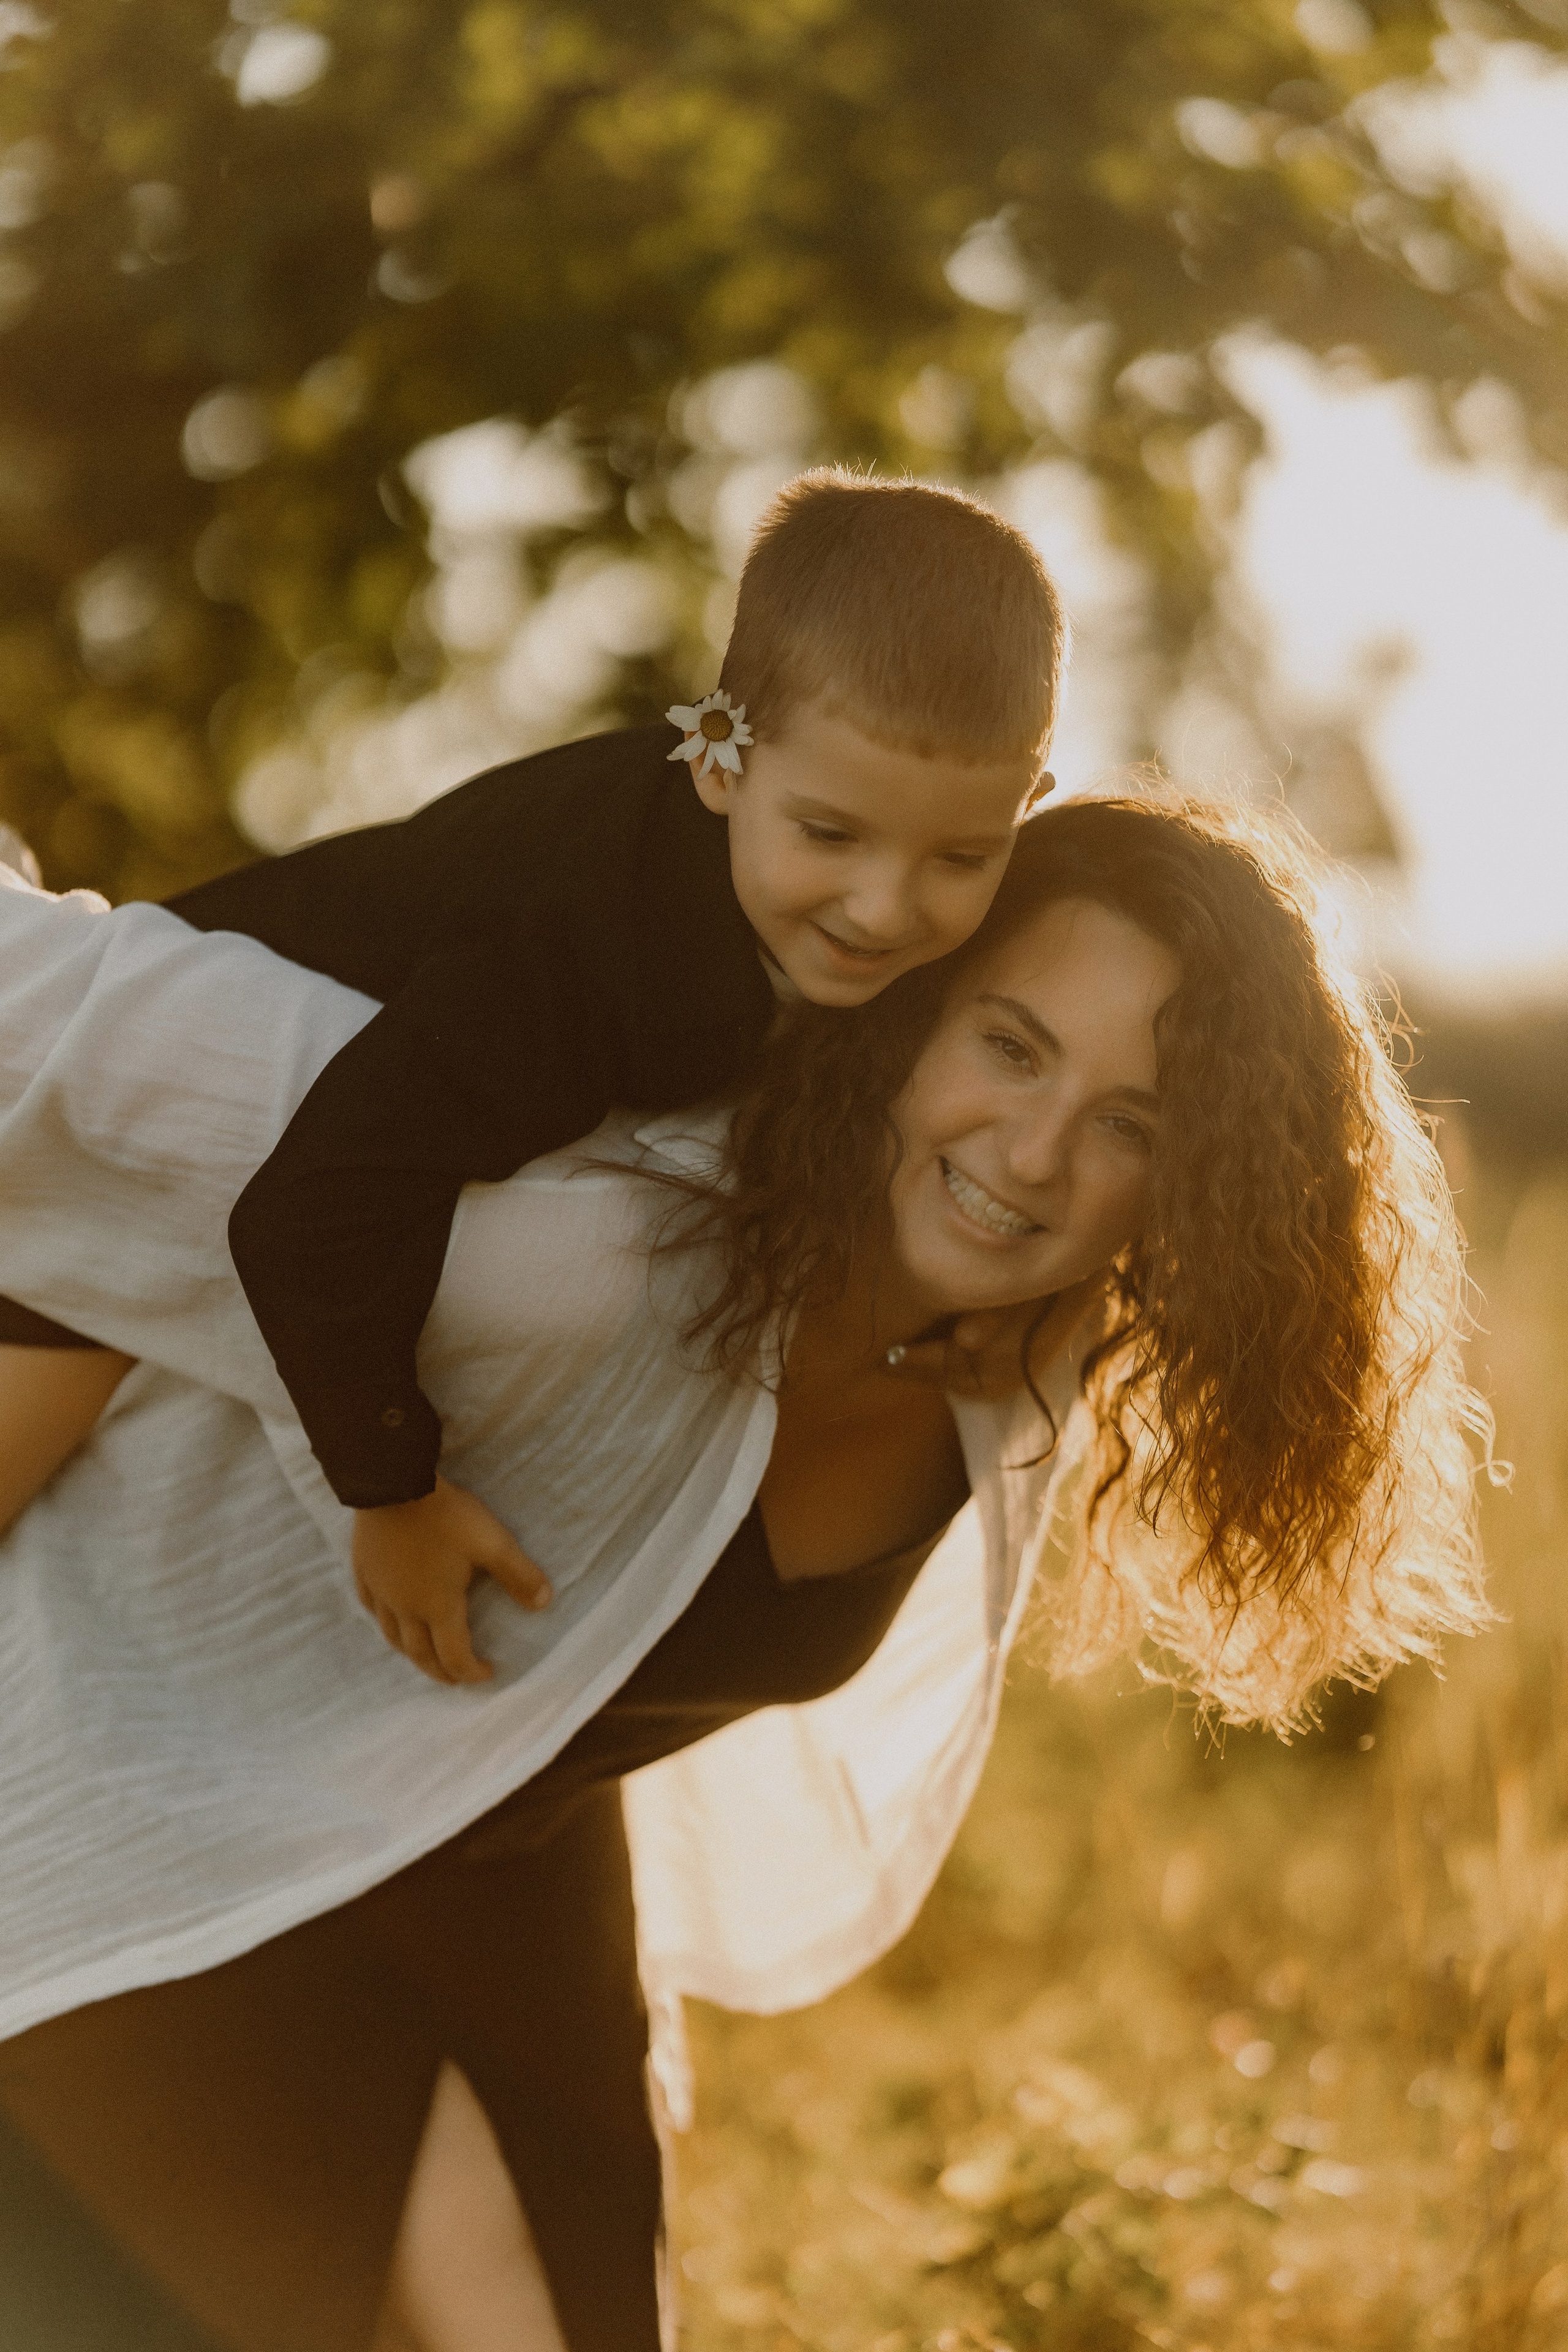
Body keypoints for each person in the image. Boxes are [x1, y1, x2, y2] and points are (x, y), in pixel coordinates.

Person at [0, 796, 1491, 2352]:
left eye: (1134, 1123)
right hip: (171, 1786)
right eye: (1010, 1046)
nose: (1038, 1154)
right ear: (908, 1019)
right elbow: (143, 1130)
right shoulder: (612, 1231)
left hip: (493, 1876)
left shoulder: (1014, 1359)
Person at [0, 471, 1064, 1686]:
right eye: (829, 836)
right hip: (121, 1143)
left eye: (960, 857)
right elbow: (312, 1206)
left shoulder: (818, 886)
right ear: (717, 758)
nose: (882, 907)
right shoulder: (582, 958)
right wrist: (391, 1493)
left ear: (1026, 809)